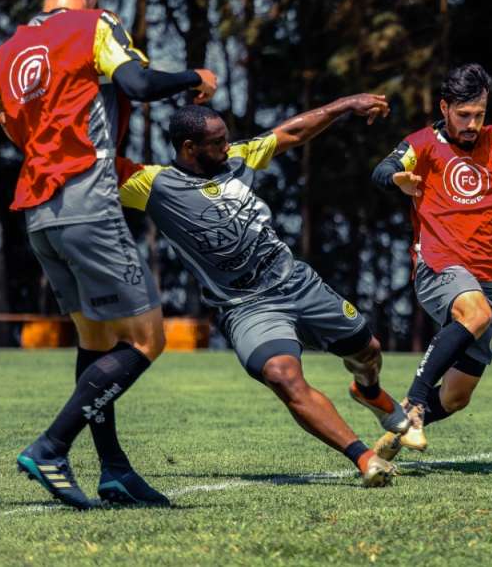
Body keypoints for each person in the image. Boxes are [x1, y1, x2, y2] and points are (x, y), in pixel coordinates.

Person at [0, 0, 217, 509]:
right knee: (148, 340)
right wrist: (193, 75)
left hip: (39, 216)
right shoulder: (95, 24)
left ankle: (114, 469)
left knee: (96, 341)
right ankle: (51, 447)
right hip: (88, 203)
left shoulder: (3, 56)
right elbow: (139, 86)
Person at [118, 95, 405, 487]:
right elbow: (91, 165)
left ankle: (369, 391)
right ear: (189, 148)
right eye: (217, 142)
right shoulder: (152, 184)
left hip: (296, 281)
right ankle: (365, 458)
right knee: (281, 374)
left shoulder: (239, 157)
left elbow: (292, 131)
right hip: (246, 307)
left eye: (226, 139)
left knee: (367, 350)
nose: (227, 147)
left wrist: (344, 107)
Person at [371, 63, 492, 458]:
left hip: (490, 275)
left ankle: (396, 430)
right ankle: (414, 405)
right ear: (445, 108)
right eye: (464, 115)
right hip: (438, 263)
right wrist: (397, 180)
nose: (473, 123)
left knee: (458, 396)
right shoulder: (422, 144)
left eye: (479, 114)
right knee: (474, 315)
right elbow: (382, 169)